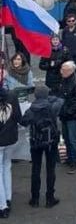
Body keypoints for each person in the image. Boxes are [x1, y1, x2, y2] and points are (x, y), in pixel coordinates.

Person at [21, 84, 63, 208]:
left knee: (35, 169)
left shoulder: (31, 109)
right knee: (51, 169)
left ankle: (35, 199)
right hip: (51, 141)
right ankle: (50, 198)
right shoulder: (53, 107)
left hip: (36, 141)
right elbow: (61, 100)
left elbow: (23, 122)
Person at [58, 60, 76, 173]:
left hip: (72, 116)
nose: (61, 71)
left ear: (70, 71)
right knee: (66, 137)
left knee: (73, 139)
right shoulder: (66, 80)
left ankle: (74, 161)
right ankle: (69, 158)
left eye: (63, 70)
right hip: (66, 114)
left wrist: (68, 112)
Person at [0, 88, 20, 217]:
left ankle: (2, 205)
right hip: (11, 138)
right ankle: (8, 198)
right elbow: (18, 116)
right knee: (7, 167)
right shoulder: (12, 95)